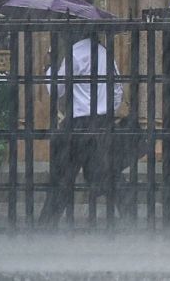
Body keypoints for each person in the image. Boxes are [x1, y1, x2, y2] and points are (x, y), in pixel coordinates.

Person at [39, 30, 126, 225]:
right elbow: (118, 90)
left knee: (62, 180)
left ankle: (45, 226)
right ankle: (132, 222)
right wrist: (105, 110)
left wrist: (50, 65)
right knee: (108, 176)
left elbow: (56, 89)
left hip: (78, 124)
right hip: (102, 123)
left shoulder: (76, 53)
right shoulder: (105, 54)